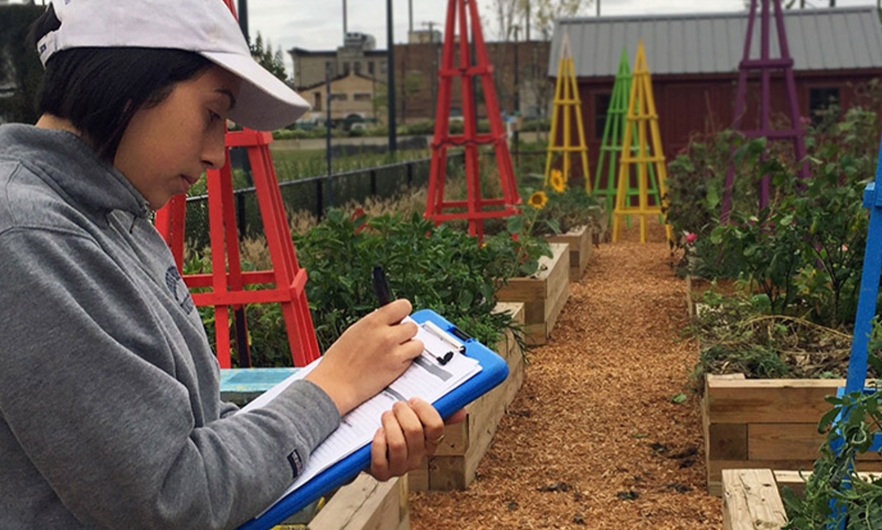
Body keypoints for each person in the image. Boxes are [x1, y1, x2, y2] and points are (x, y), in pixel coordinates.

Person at [0, 1, 464, 528]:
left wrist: (351, 435)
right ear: (129, 77)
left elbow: (203, 431)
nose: (219, 154)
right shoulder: (28, 236)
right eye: (213, 112)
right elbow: (174, 501)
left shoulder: (117, 218)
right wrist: (332, 387)